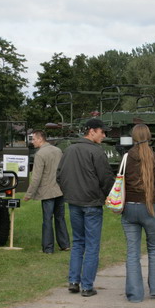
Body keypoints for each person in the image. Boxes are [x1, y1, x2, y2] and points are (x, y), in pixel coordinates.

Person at [57, 118, 114, 297]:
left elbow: (60, 176)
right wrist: (109, 196)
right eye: (102, 132)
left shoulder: (69, 150)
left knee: (78, 243)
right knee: (91, 245)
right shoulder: (96, 152)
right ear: (91, 131)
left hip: (74, 203)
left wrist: (70, 193)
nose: (104, 135)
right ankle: (87, 286)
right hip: (91, 204)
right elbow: (106, 179)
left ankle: (74, 281)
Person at [121, 124, 155, 302]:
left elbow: (121, 181)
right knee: (154, 249)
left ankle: (134, 294)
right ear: (149, 136)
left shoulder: (126, 158)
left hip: (129, 207)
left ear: (133, 137)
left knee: (132, 252)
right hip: (150, 206)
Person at [24, 130, 70, 254]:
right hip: (60, 190)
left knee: (47, 220)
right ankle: (65, 244)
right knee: (60, 218)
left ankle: (48, 248)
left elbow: (36, 177)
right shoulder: (58, 150)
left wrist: (29, 194)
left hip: (47, 191)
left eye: (33, 139)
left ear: (40, 139)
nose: (32, 142)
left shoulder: (40, 154)